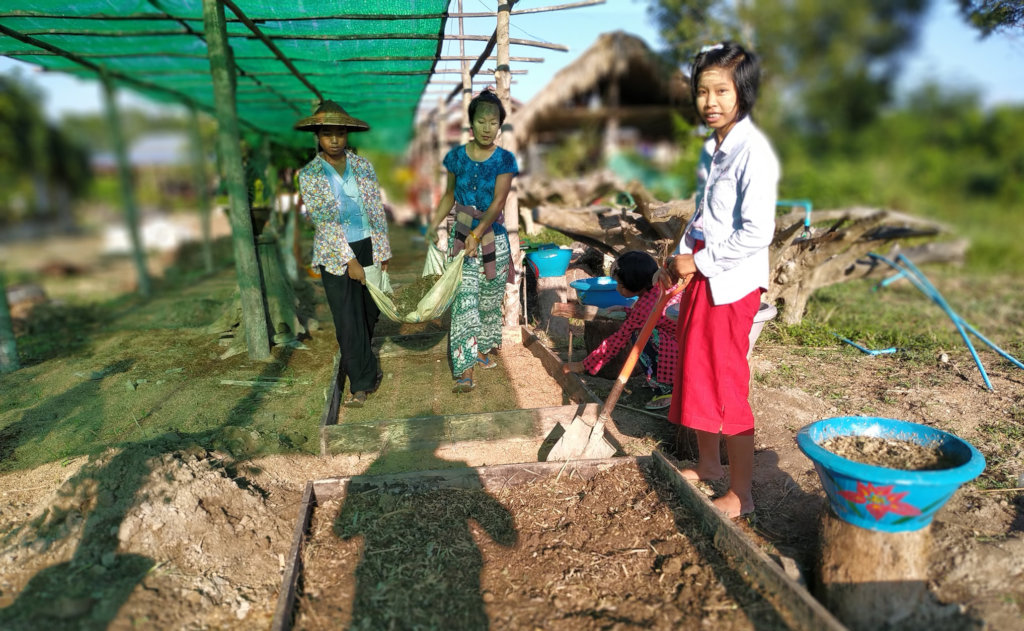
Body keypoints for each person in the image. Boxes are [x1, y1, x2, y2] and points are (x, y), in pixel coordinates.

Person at [655, 42, 779, 518]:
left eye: (722, 91)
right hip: (704, 279)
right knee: (697, 372)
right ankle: (708, 465)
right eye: (703, 91)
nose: (710, 102)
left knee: (727, 382)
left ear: (743, 93)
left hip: (732, 285)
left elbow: (756, 233)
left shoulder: (754, 153)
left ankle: (742, 493)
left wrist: (701, 264)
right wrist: (684, 257)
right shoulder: (714, 148)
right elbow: (706, 218)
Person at [295, 100, 391, 407]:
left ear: (347, 134)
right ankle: (360, 384)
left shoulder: (362, 166)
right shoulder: (309, 175)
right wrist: (349, 261)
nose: (334, 139)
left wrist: (382, 249)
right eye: (327, 133)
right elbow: (324, 220)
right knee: (347, 319)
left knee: (369, 312)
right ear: (318, 136)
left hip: (367, 243)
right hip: (335, 252)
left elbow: (375, 208)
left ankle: (364, 360)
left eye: (340, 133)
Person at [425, 90, 519, 393]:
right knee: (464, 302)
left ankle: (481, 349)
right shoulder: (455, 157)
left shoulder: (505, 160)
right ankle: (464, 367)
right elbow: (449, 196)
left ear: (499, 126)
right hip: (461, 237)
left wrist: (478, 235)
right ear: (472, 123)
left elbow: (498, 202)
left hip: (494, 238)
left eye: (493, 122)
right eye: (482, 121)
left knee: (489, 301)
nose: (487, 127)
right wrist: (433, 223)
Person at [563, 251, 682, 410]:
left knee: (642, 335)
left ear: (636, 284)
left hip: (679, 349)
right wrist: (627, 311)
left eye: (621, 285)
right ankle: (660, 378)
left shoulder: (645, 307)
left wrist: (584, 365)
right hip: (685, 343)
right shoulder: (659, 288)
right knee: (645, 331)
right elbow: (656, 317)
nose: (618, 289)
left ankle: (667, 389)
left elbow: (616, 341)